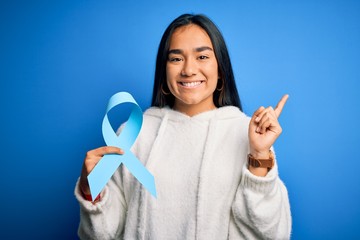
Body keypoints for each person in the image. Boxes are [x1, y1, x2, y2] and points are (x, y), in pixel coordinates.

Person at [75, 13, 292, 239]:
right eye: (176, 59)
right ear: (164, 71)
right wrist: (92, 191)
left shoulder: (247, 134)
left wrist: (258, 154)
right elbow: (102, 234)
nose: (188, 69)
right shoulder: (133, 134)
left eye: (202, 57)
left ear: (221, 69)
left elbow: (272, 234)